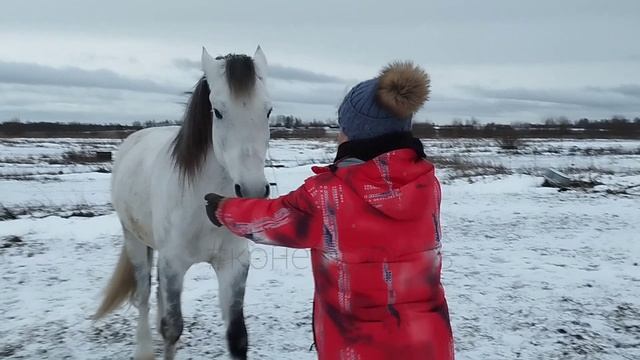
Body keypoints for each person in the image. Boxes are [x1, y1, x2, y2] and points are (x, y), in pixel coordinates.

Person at [205, 61, 454, 359]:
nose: (339, 135)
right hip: (429, 343)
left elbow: (270, 219)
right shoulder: (427, 185)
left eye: (342, 128)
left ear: (355, 135)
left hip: (357, 348)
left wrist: (224, 208)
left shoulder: (327, 195)